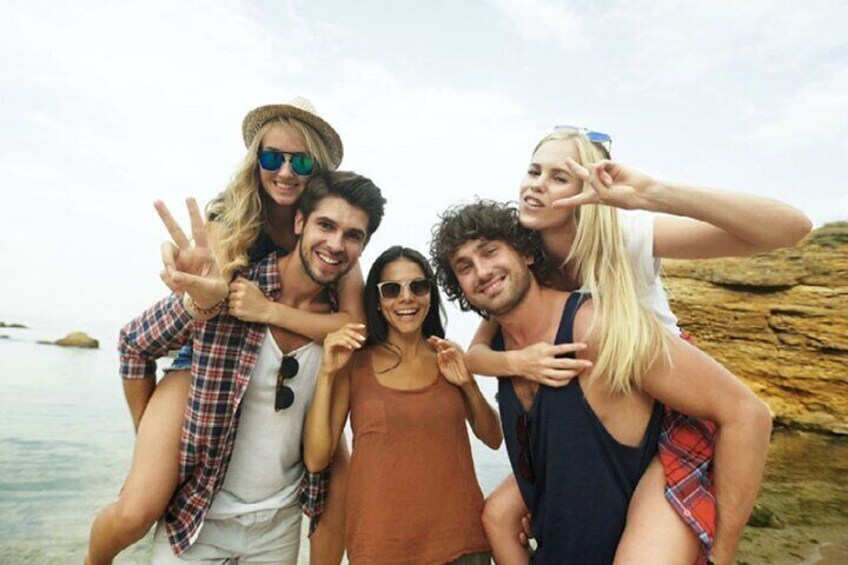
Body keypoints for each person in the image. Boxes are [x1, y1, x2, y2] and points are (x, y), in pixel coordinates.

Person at [461, 127, 812, 563]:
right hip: (611, 416)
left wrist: (652, 192)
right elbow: (477, 354)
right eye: (534, 170)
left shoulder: (625, 235)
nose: (536, 183)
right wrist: (521, 360)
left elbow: (791, 228)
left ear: (590, 190)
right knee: (499, 515)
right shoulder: (523, 263)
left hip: (673, 401)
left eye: (558, 177)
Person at [86, 98, 360, 565]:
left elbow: (353, 325)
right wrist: (200, 295)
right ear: (257, 161)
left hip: (289, 362)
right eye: (273, 158)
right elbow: (186, 308)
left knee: (340, 482)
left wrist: (267, 310)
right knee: (139, 508)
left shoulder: (329, 240)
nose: (286, 172)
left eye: (302, 160)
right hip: (207, 362)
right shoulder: (228, 225)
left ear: (319, 171)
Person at [430, 200, 774, 564]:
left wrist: (720, 555)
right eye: (464, 267)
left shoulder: (596, 326)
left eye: (490, 252)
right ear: (460, 287)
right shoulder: (499, 345)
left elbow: (747, 413)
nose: (482, 271)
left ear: (526, 255)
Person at [303, 246, 502, 564]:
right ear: (378, 302)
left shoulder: (447, 356)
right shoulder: (354, 364)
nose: (406, 298)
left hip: (463, 543)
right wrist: (327, 373)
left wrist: (467, 383)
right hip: (379, 547)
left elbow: (493, 438)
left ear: (430, 295)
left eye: (418, 286)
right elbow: (316, 459)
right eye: (392, 289)